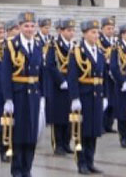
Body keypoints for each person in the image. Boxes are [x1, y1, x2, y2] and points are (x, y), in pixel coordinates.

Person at [0, 10, 44, 177]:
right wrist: (8, 98)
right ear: (19, 26)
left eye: (32, 26)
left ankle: (27, 168)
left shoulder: (38, 44)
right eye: (26, 26)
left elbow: (41, 73)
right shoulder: (11, 45)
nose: (30, 29)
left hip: (34, 95)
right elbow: (5, 74)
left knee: (31, 134)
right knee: (18, 134)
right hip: (18, 95)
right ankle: (17, 170)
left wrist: (43, 95)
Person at [68, 19, 106, 175]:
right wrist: (75, 98)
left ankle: (90, 161)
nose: (96, 35)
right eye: (93, 32)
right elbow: (72, 77)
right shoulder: (77, 51)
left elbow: (102, 76)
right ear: (84, 34)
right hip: (84, 96)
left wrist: (105, 96)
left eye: (97, 32)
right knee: (82, 132)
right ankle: (81, 162)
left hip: (96, 96)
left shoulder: (100, 51)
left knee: (94, 131)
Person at [44, 19, 75, 156]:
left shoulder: (74, 46)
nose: (71, 33)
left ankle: (66, 143)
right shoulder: (53, 45)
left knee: (69, 116)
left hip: (70, 83)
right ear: (61, 31)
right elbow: (50, 65)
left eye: (72, 30)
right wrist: (61, 80)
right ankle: (58, 144)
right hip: (57, 85)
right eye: (68, 30)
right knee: (58, 117)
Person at [112, 24, 126, 149]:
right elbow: (114, 67)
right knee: (122, 112)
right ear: (123, 35)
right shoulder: (117, 48)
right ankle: (123, 137)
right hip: (122, 84)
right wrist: (122, 81)